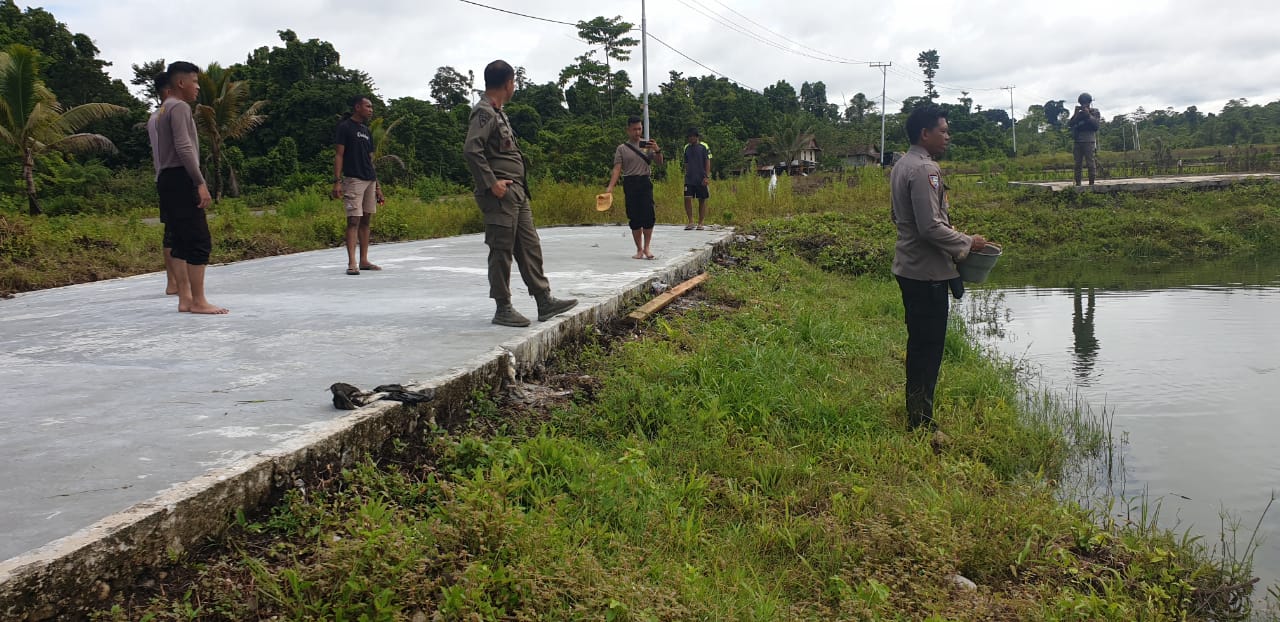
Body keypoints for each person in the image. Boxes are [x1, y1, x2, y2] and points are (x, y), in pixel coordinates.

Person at [890, 104, 986, 430]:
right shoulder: (924, 170)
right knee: (928, 349)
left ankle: (917, 412)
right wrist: (966, 242)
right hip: (926, 273)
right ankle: (920, 422)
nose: (948, 136)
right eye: (943, 131)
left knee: (919, 344)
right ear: (925, 133)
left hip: (911, 268)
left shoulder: (902, 164)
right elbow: (929, 226)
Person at [463, 59, 577, 327]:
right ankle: (503, 307)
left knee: (529, 246)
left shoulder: (499, 112)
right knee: (501, 249)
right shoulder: (484, 112)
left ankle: (543, 299)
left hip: (517, 193)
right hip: (500, 194)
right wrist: (491, 183)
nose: (514, 86)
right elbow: (472, 149)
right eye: (514, 82)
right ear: (507, 83)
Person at [148, 61, 227, 314]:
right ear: (180, 83)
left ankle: (185, 298)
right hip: (181, 178)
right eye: (194, 81)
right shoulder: (179, 107)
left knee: (179, 240)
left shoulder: (162, 110)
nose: (197, 87)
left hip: (166, 179)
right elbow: (184, 148)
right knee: (198, 239)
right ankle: (199, 301)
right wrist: (200, 182)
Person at [332, 95, 383, 275]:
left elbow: (370, 159)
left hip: (369, 179)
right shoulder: (345, 127)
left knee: (366, 220)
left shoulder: (367, 131)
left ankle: (364, 260)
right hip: (353, 179)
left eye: (371, 107)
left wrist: (377, 186)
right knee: (353, 219)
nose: (371, 109)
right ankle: (352, 262)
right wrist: (337, 181)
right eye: (368, 106)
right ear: (357, 107)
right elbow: (339, 155)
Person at [605, 116, 663, 259]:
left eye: (640, 128)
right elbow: (617, 169)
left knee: (648, 216)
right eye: (634, 129)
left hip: (644, 182)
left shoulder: (647, 145)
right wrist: (610, 187)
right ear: (628, 130)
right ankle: (639, 249)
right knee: (634, 217)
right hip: (630, 183)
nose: (637, 132)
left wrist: (657, 150)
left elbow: (660, 163)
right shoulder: (622, 149)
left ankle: (647, 248)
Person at [145, 71, 180, 296]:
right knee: (179, 231)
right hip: (175, 177)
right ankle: (178, 283)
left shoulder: (154, 117)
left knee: (171, 230)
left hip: (162, 177)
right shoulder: (170, 114)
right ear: (169, 90)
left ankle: (172, 282)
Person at [1067, 92, 1102, 186]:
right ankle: (1078, 183)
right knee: (1077, 164)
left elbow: (1096, 125)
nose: (1083, 105)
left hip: (1089, 141)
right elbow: (1070, 124)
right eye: (1082, 103)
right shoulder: (1079, 114)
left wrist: (1088, 115)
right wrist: (1075, 114)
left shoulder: (1094, 112)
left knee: (1090, 163)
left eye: (1085, 103)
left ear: (1089, 103)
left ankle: (1092, 183)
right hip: (1077, 141)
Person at [681, 128, 711, 230]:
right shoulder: (686, 148)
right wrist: (687, 173)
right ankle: (690, 221)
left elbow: (707, 161)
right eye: (689, 137)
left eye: (692, 137)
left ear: (696, 137)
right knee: (687, 198)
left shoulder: (704, 146)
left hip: (701, 178)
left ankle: (701, 223)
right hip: (689, 178)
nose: (690, 139)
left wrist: (706, 176)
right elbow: (686, 162)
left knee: (702, 200)